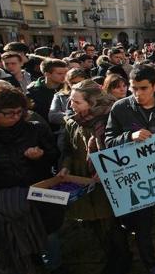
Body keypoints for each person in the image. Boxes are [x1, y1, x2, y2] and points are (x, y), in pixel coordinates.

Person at [105, 64, 155, 274]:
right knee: (142, 228)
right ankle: (150, 264)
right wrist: (129, 137)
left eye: (143, 88)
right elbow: (108, 142)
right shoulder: (120, 108)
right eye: (133, 88)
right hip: (137, 181)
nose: (137, 93)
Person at [0, 83, 64, 274]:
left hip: (40, 191)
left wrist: (41, 156)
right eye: (8, 113)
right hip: (4, 201)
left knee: (50, 235)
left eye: (19, 112)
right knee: (14, 239)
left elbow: (54, 154)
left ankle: (54, 266)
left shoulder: (34, 129)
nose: (15, 117)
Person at [59, 80, 131, 274]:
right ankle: (110, 255)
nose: (71, 105)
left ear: (92, 102)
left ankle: (122, 260)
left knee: (112, 223)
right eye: (71, 100)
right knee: (94, 224)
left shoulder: (112, 118)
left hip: (108, 179)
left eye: (76, 102)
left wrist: (104, 170)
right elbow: (67, 149)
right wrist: (65, 168)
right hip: (82, 178)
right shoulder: (72, 121)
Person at [49, 68, 88, 153]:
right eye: (73, 83)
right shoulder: (60, 96)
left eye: (80, 82)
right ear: (68, 83)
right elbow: (53, 116)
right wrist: (73, 116)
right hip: (68, 136)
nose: (77, 85)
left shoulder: (93, 95)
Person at [27, 59, 68, 131]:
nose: (64, 76)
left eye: (66, 73)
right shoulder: (33, 92)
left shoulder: (69, 89)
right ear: (47, 74)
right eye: (60, 73)